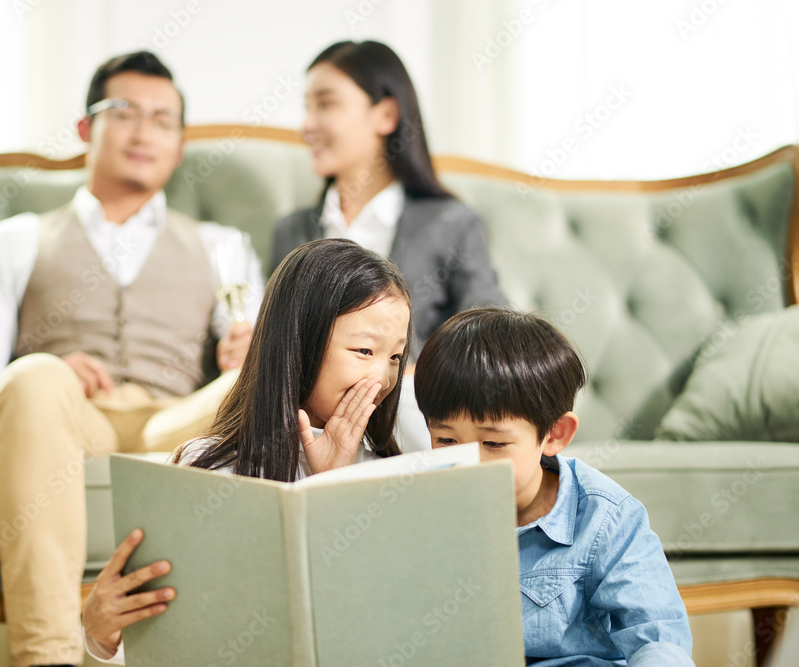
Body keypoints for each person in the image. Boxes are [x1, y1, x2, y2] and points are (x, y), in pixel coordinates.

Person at [0, 51, 263, 667]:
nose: (144, 132)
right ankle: (49, 657)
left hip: (175, 420)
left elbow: (243, 347)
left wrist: (243, 358)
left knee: (262, 376)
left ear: (179, 144)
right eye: (125, 113)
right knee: (32, 377)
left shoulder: (224, 247)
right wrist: (47, 374)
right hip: (68, 420)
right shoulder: (15, 240)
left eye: (163, 120)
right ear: (85, 129)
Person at [81, 238, 416, 663]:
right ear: (299, 342)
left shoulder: (394, 475)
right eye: (364, 351)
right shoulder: (203, 467)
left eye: (394, 357)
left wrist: (334, 483)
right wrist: (98, 635)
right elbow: (162, 634)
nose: (381, 377)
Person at [413, 308, 694, 666]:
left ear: (554, 434)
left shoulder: (604, 517)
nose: (470, 462)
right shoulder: (424, 505)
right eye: (446, 439)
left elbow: (658, 637)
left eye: (494, 444)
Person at [273, 40, 507, 360]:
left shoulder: (452, 224)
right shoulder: (290, 232)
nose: (306, 126)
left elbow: (493, 346)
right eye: (307, 107)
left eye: (325, 104)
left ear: (385, 115)